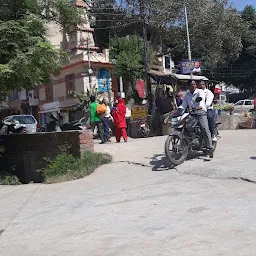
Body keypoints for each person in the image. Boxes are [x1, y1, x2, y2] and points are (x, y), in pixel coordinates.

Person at [179, 80, 213, 158]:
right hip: (192, 113)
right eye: (191, 84)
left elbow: (201, 103)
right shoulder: (187, 94)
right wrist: (178, 110)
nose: (193, 85)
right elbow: (183, 105)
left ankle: (210, 149)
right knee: (186, 126)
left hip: (201, 112)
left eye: (194, 84)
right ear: (188, 86)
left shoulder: (200, 92)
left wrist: (196, 108)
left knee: (204, 128)